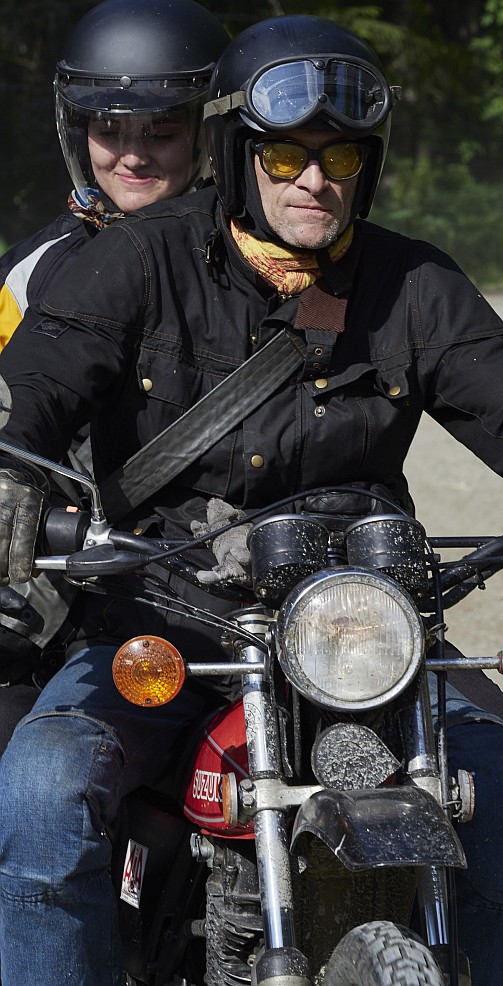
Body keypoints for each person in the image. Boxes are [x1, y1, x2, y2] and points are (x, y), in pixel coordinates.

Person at [0, 14, 503, 986]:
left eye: (341, 158)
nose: (314, 181)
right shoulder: (138, 259)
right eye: (286, 156)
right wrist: (11, 473)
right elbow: (39, 379)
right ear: (238, 155)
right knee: (42, 795)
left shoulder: (413, 282)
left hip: (362, 635)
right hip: (163, 620)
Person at [0, 0, 229, 751]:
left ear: (210, 132)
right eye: (110, 129)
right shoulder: (29, 276)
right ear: (77, 130)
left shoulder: (263, 262)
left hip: (245, 590)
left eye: (161, 131)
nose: (132, 155)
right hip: (67, 598)